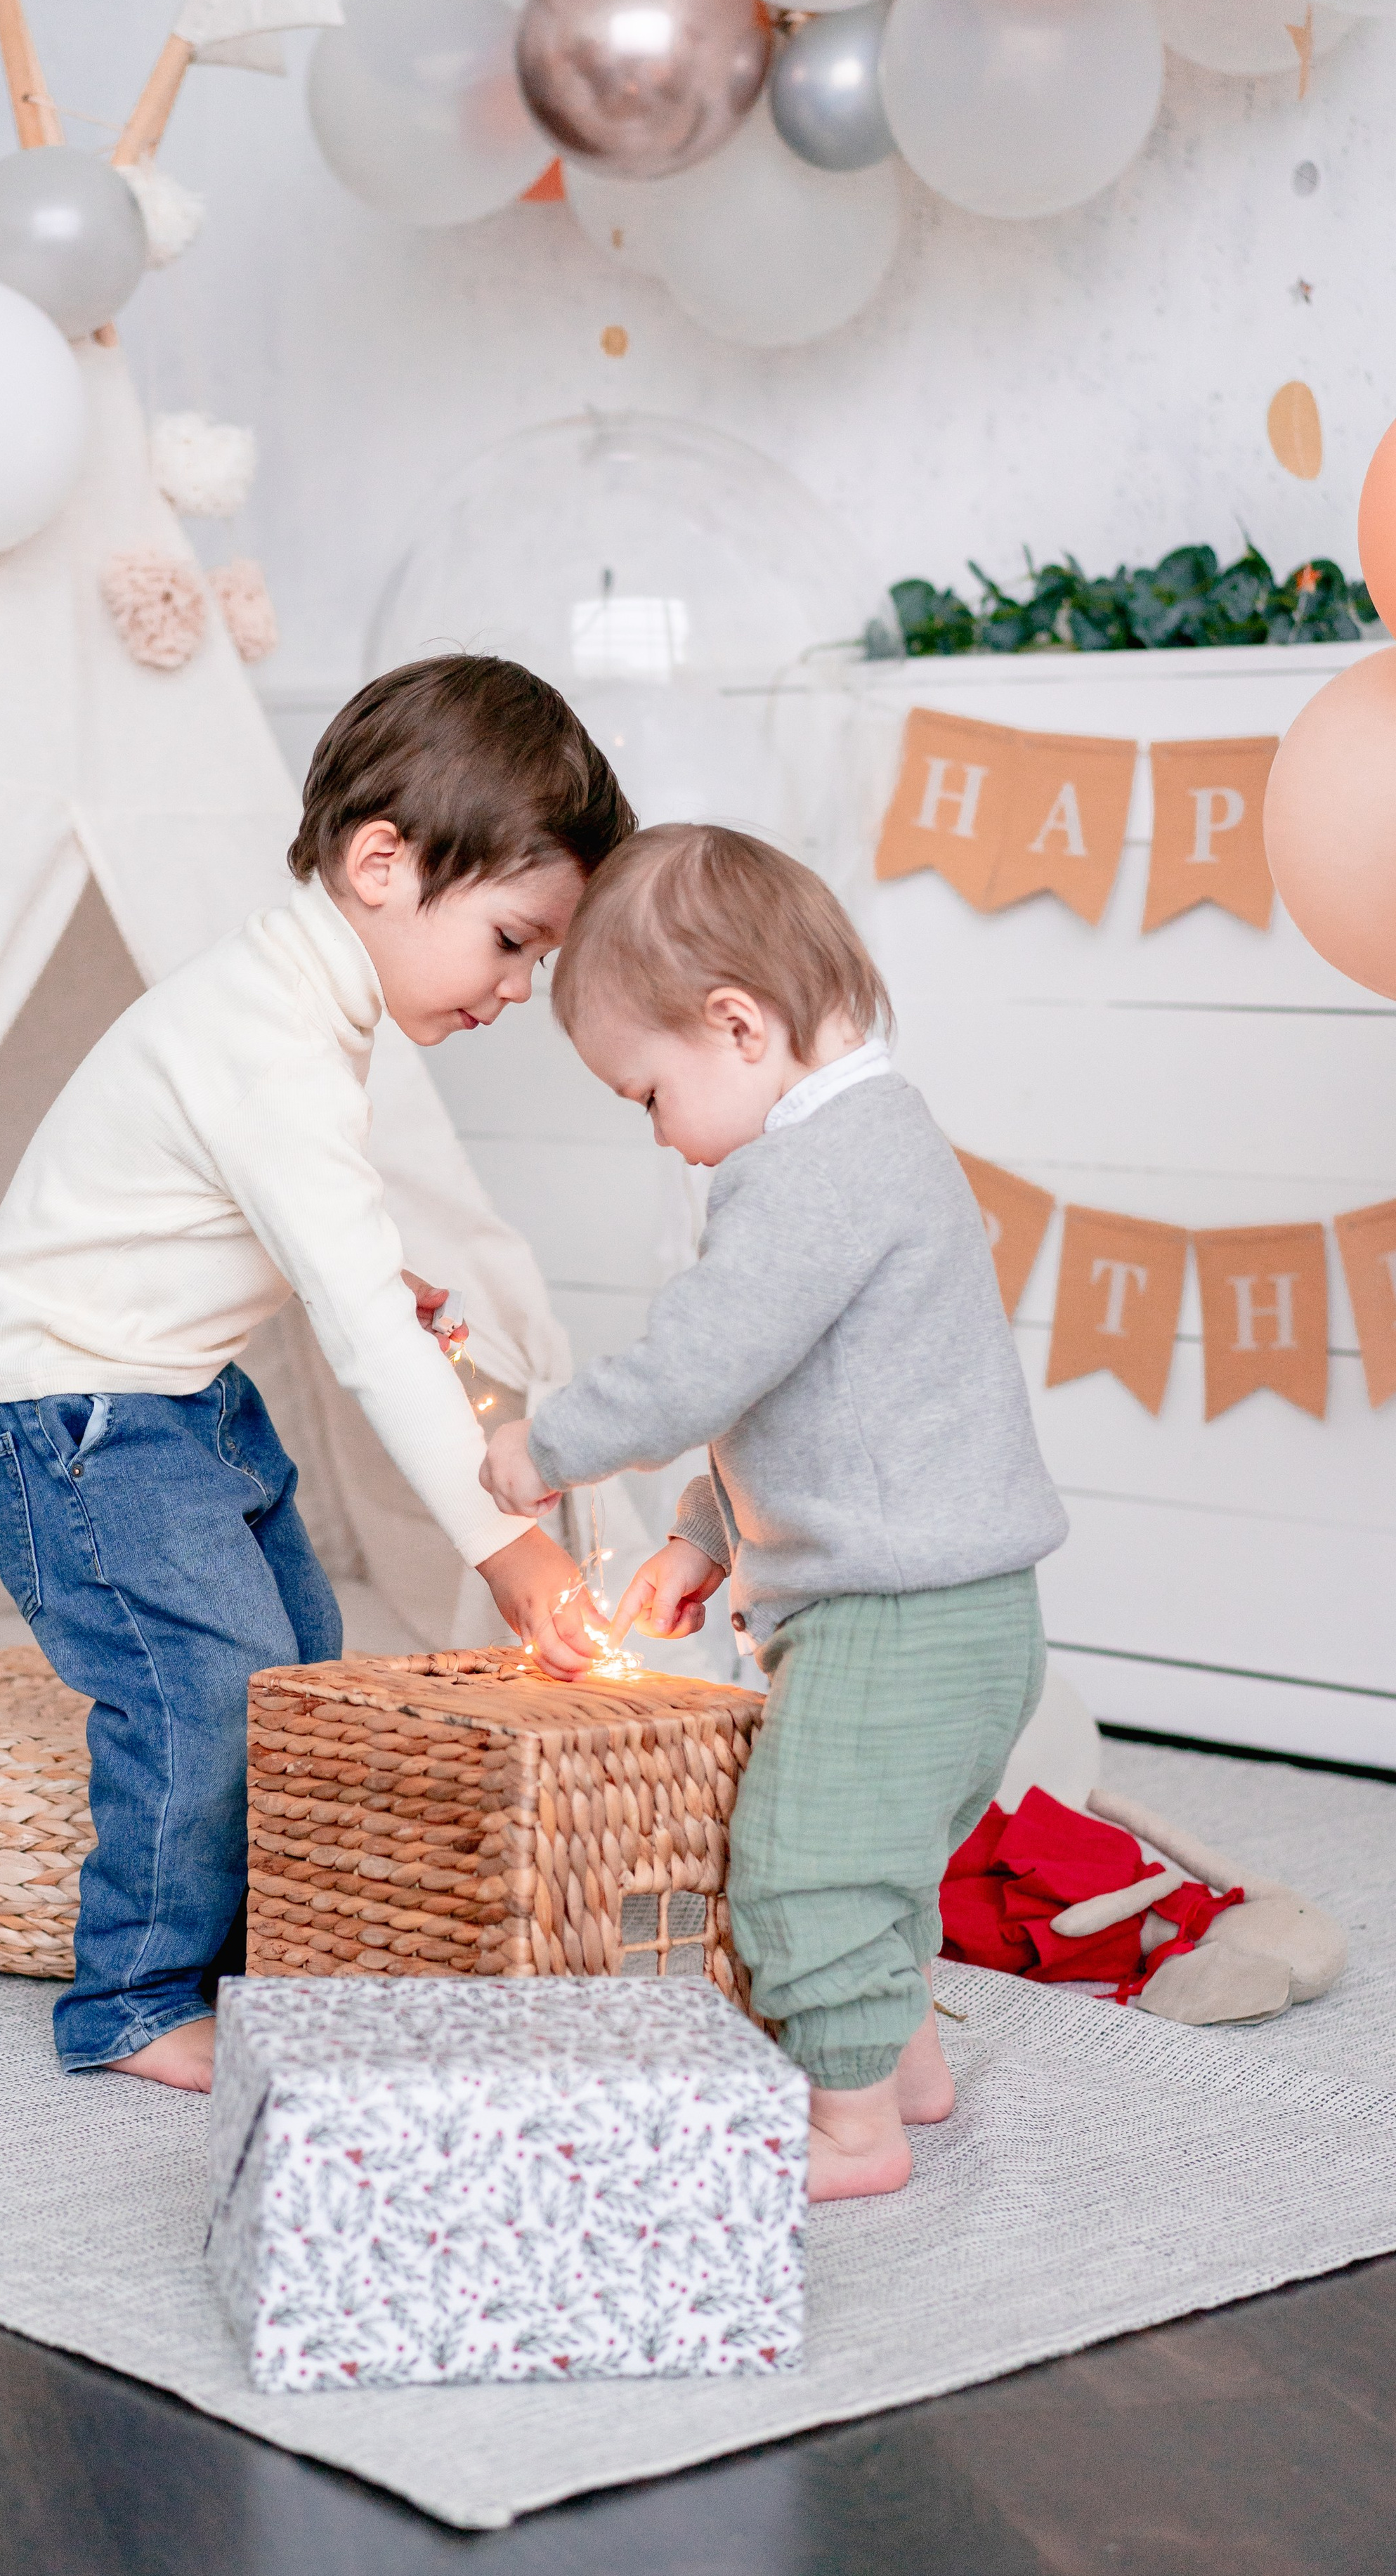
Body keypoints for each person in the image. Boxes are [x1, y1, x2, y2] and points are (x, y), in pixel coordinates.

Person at [0, 658, 636, 2090]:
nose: (514, 988)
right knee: (208, 1681)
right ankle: (131, 1998)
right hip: (65, 1409)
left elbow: (266, 1228)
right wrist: (508, 1549)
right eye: (510, 941)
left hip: (173, 1394)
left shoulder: (299, 1014)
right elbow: (366, 1346)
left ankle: (268, 1946)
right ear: (382, 862)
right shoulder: (266, 1034)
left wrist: (378, 1276)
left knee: (299, 1661)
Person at [481, 824, 1067, 2200]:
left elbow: (708, 1355)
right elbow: (814, 1405)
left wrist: (546, 1443)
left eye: (647, 1094)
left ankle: (849, 2129)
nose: (662, 1136)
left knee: (802, 1867)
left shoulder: (819, 1169)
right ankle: (902, 2069)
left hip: (900, 1618)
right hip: (943, 1611)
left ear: (734, 1025)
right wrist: (703, 1531)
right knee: (873, 1864)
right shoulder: (866, 1143)